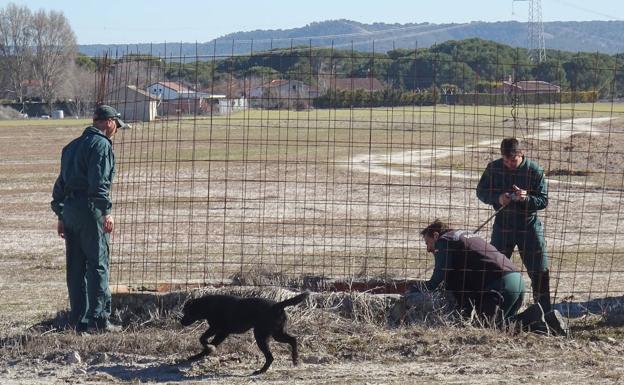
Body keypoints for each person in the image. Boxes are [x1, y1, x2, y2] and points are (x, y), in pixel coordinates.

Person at [51, 105, 127, 333]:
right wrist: (105, 211)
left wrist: (61, 214)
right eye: (116, 126)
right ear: (109, 122)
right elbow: (99, 183)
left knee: (76, 267)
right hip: (90, 210)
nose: (116, 131)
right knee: (98, 264)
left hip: (70, 211)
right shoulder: (101, 145)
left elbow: (60, 184)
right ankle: (99, 320)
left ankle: (78, 320)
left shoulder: (71, 147)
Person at [476, 138, 552, 313]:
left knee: (540, 270)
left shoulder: (534, 171)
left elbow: (543, 201)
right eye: (506, 160)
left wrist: (526, 198)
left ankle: (543, 311)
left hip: (529, 227)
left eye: (513, 160)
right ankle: (491, 310)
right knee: (494, 269)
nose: (509, 164)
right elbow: (481, 192)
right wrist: (498, 198)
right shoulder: (493, 168)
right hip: (503, 225)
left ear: (521, 154)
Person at [409, 219, 525, 321]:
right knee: (507, 325)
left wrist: (419, 288)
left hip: (500, 285)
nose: (428, 249)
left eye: (428, 243)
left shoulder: (444, 241)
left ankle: (535, 319)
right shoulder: (461, 238)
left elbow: (440, 274)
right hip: (517, 280)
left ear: (435, 235)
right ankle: (534, 318)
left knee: (485, 327)